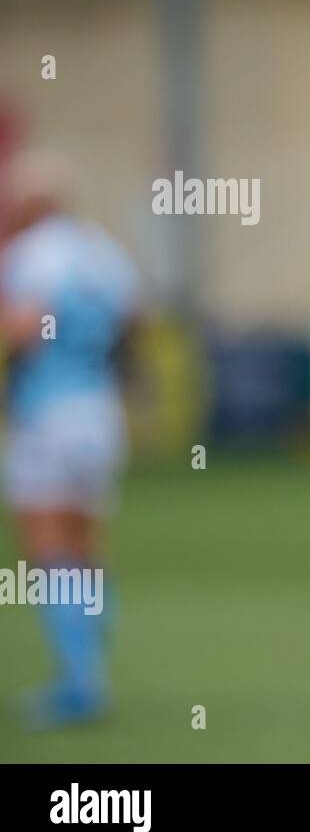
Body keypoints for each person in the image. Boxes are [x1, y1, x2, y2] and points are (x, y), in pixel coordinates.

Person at [0, 151, 143, 730]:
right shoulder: (102, 249)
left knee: (50, 548)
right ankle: (90, 658)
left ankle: (80, 682)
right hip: (100, 409)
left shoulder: (29, 254)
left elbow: (27, 325)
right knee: (84, 545)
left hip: (48, 411)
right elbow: (133, 320)